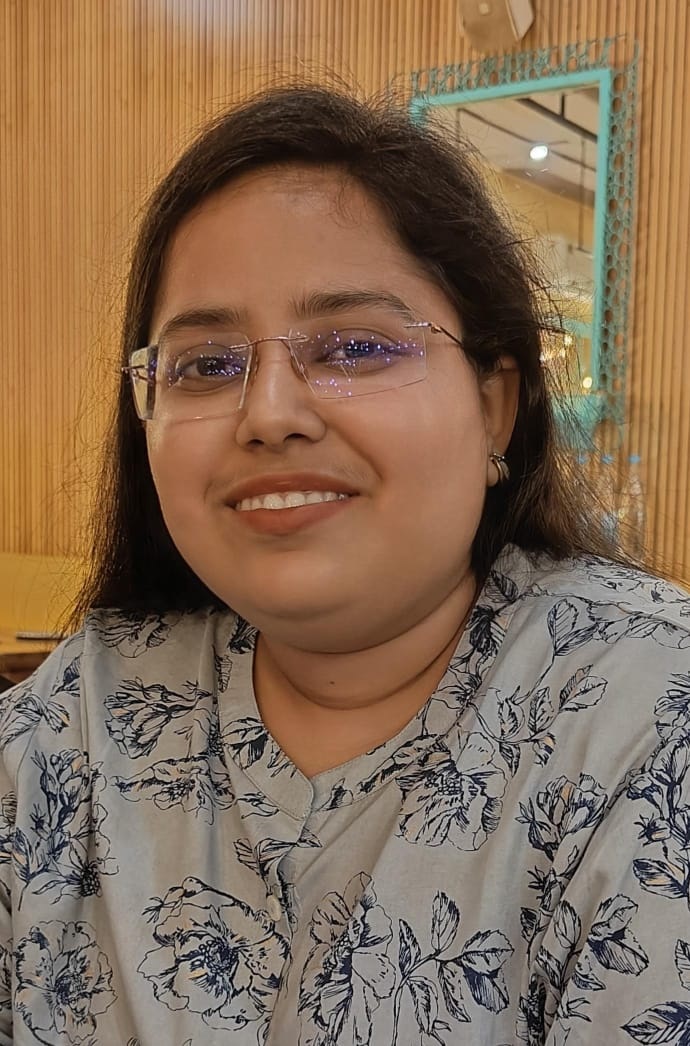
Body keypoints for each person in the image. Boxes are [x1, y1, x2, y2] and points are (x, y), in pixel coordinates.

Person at [1, 84, 688, 1046]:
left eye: (356, 347)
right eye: (206, 364)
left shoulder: (649, 718)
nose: (269, 413)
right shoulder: (82, 712)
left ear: (495, 406)